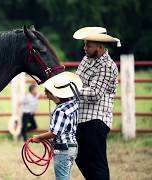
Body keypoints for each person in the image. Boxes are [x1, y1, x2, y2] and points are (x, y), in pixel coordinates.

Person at [73, 27, 120, 180]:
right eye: (85, 44)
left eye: (89, 45)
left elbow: (95, 94)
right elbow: (77, 80)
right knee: (79, 157)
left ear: (100, 47)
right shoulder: (86, 59)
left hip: (97, 119)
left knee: (97, 162)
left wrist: (70, 90)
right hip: (81, 117)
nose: (85, 48)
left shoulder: (107, 65)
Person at [32, 72, 83, 180]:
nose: (45, 93)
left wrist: (38, 137)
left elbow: (54, 133)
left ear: (54, 94)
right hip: (71, 147)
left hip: (62, 149)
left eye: (47, 91)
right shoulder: (73, 104)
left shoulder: (61, 111)